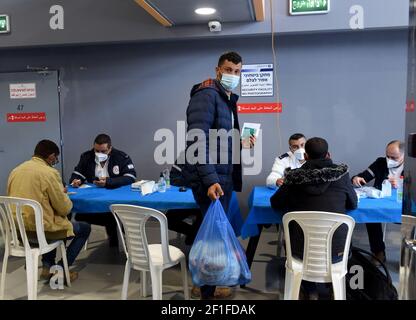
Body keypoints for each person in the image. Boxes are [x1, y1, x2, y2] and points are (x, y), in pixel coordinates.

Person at [182, 51, 254, 300]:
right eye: (228, 70)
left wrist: (241, 142)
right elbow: (196, 140)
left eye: (237, 71)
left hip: (222, 176)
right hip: (210, 178)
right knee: (212, 235)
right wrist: (210, 179)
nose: (233, 75)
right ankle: (206, 288)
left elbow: (219, 140)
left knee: (217, 232)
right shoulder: (207, 95)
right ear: (217, 70)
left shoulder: (227, 99)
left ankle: (212, 280)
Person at [270, 137, 357, 299]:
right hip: (337, 252)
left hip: (300, 252)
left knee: (297, 240)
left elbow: (276, 203)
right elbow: (353, 204)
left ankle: (310, 290)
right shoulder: (342, 176)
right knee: (341, 242)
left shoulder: (293, 177)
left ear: (307, 156)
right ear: (328, 155)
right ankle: (333, 288)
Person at [7, 140, 91, 282]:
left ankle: (47, 267)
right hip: (43, 233)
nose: (55, 161)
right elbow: (64, 208)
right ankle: (60, 270)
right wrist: (62, 193)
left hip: (19, 233)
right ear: (51, 156)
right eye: (56, 158)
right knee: (83, 228)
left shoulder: (16, 170)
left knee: (50, 221)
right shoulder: (50, 173)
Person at [69, 133, 136, 247]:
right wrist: (76, 180)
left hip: (114, 199)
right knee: (70, 208)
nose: (99, 154)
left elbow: (131, 177)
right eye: (96, 151)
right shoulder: (86, 156)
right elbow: (77, 173)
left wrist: (109, 182)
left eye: (103, 151)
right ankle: (65, 235)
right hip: (92, 200)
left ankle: (118, 242)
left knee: (112, 215)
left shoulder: (121, 157)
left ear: (110, 148)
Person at [352, 140, 405, 265]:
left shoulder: (412, 165)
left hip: (402, 204)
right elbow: (363, 176)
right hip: (381, 203)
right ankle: (378, 252)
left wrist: (401, 185)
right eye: (387, 156)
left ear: (404, 155)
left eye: (394, 157)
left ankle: (407, 257)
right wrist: (356, 179)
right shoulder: (380, 163)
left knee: (411, 221)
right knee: (371, 214)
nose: (389, 160)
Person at [165, 159, 203, 246]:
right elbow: (173, 180)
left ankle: (196, 240)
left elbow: (209, 181)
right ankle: (193, 233)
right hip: (185, 202)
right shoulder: (183, 158)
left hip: (203, 202)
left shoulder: (209, 159)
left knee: (204, 220)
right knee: (167, 220)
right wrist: (193, 180)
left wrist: (186, 179)